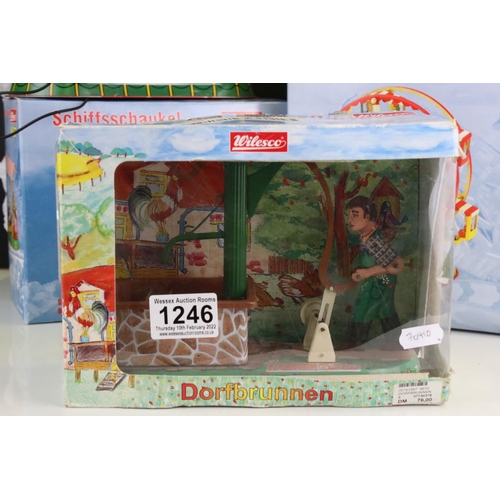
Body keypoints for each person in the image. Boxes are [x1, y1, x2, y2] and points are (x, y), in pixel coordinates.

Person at [341, 195, 404, 349]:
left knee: (363, 310)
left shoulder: (374, 240)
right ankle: (396, 345)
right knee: (384, 310)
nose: (350, 219)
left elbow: (396, 265)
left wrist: (367, 272)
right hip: (374, 282)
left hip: (380, 283)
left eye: (355, 214)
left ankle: (354, 346)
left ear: (367, 217)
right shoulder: (366, 237)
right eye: (349, 215)